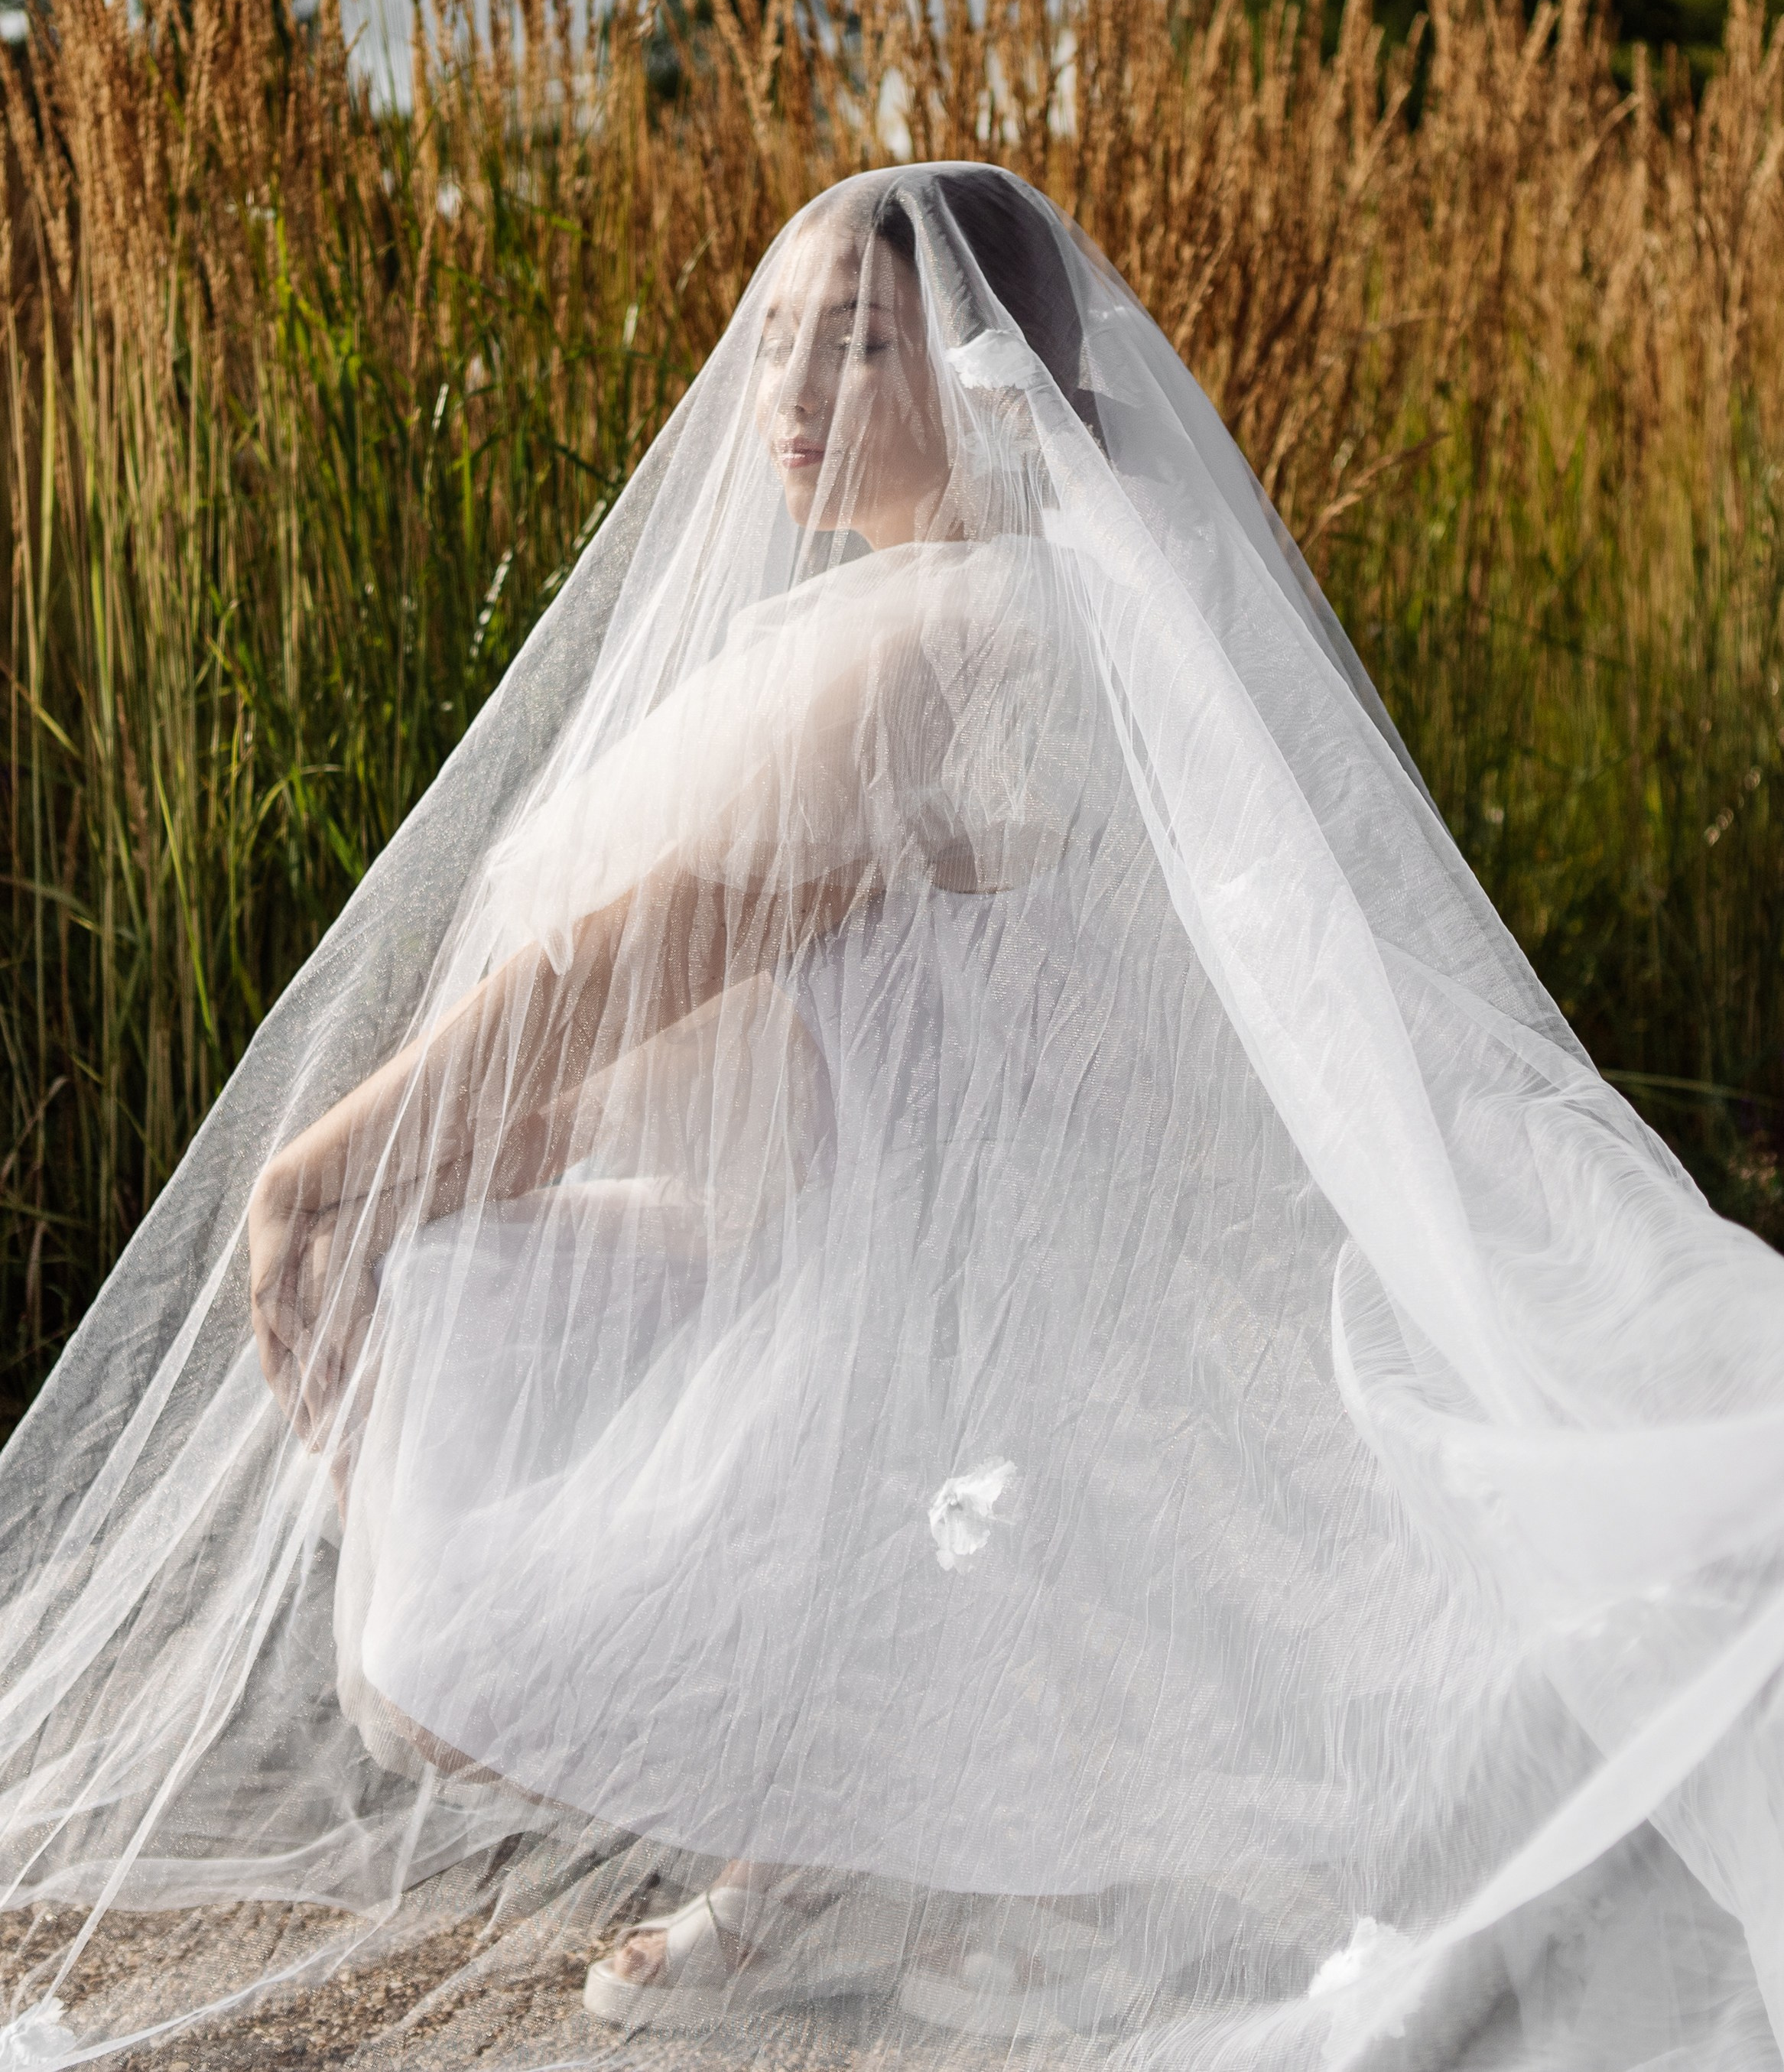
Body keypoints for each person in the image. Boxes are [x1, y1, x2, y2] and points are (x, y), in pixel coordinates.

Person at [3, 165, 1783, 2071]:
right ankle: (850, 1856)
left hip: (962, 1313)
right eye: (773, 340)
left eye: (858, 341)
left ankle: (951, 1874)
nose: (791, 391)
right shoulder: (997, 604)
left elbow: (656, 945)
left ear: (984, 365)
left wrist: (332, 1167)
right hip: (919, 1283)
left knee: (444, 1581)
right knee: (476, 1381)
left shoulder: (952, 633)